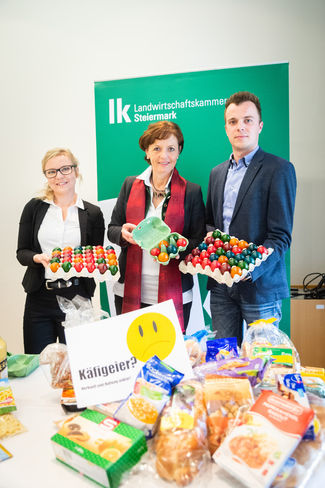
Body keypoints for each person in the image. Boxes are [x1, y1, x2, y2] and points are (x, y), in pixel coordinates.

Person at [206, 91, 297, 344]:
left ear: (259, 126)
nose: (240, 127)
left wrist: (250, 268)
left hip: (261, 286)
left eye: (247, 120)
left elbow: (280, 237)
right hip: (221, 285)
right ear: (226, 128)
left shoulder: (279, 169)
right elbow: (211, 224)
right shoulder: (216, 173)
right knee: (224, 361)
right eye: (233, 121)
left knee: (265, 364)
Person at [107, 121, 206, 332]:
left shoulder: (192, 192)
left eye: (171, 148)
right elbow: (112, 228)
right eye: (157, 149)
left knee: (171, 357)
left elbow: (198, 240)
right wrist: (123, 234)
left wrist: (174, 247)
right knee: (131, 356)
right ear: (147, 151)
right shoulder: (129, 185)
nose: (164, 156)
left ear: (179, 151)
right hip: (130, 291)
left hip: (176, 291)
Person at [17, 148, 105, 354]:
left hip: (77, 298)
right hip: (39, 297)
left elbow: (95, 258)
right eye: (52, 172)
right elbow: (22, 252)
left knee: (78, 364)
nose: (59, 176)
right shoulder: (34, 208)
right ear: (46, 176)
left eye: (65, 169)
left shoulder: (92, 213)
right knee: (38, 364)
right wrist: (37, 258)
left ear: (76, 171)